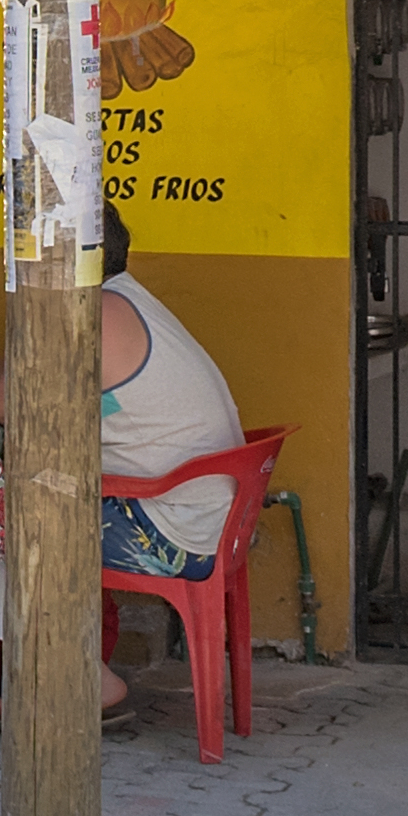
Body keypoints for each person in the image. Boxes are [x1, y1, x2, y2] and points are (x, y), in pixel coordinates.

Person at [96, 224, 246, 739]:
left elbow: (4, 405)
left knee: (19, 511)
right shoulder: (131, 300)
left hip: (179, 535)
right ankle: (59, 669)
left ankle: (79, 677)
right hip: (217, 526)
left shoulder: (98, 313)